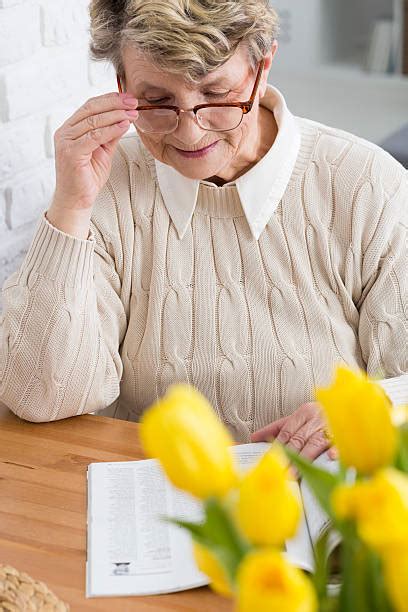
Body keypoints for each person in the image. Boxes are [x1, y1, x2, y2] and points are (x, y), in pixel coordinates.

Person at [0, 0, 407, 460]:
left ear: (261, 67)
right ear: (121, 87)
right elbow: (39, 396)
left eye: (215, 96)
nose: (190, 135)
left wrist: (376, 404)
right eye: (157, 102)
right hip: (156, 499)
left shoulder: (368, 184)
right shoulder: (105, 186)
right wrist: (70, 207)